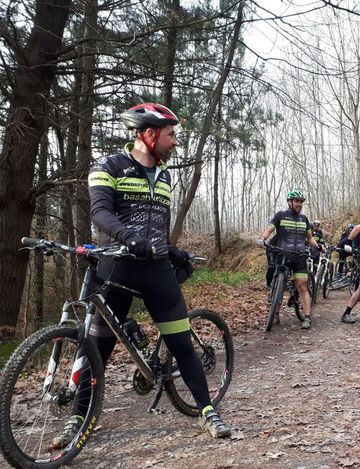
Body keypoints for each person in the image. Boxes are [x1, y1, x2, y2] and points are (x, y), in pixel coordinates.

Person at [53, 102, 232, 445]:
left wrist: (170, 248)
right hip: (116, 269)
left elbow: (159, 224)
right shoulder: (108, 166)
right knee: (96, 350)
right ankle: (77, 420)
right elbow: (100, 212)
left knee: (181, 344)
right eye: (171, 135)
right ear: (149, 134)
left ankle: (208, 411)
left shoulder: (165, 175)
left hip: (156, 271)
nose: (175, 141)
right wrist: (129, 237)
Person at [261, 191, 320, 330]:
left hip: (299, 256)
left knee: (302, 286)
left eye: (301, 202)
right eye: (296, 201)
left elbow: (309, 238)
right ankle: (275, 315)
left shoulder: (304, 219)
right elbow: (269, 230)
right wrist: (262, 239)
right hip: (283, 255)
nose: (299, 204)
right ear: (290, 202)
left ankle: (307, 317)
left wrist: (318, 246)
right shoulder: (280, 216)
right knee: (279, 286)